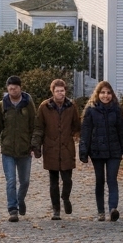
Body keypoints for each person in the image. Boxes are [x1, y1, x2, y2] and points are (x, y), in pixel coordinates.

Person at [0, 75, 37, 223]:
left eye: (15, 88)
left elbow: (34, 126)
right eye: (10, 88)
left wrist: (34, 145)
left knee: (25, 181)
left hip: (24, 150)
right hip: (8, 150)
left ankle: (20, 200)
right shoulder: (2, 106)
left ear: (20, 88)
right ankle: (12, 209)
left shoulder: (28, 104)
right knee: (11, 181)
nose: (12, 90)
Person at [80, 80, 123, 222]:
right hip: (97, 151)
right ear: (97, 94)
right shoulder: (91, 110)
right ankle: (100, 211)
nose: (105, 95)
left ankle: (113, 208)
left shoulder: (116, 110)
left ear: (112, 94)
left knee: (112, 179)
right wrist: (83, 151)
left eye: (108, 93)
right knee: (100, 180)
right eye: (102, 93)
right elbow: (86, 132)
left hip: (114, 151)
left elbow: (121, 131)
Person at [32, 78, 80, 220]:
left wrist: (72, 135)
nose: (60, 93)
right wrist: (36, 145)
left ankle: (65, 197)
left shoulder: (71, 106)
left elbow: (77, 125)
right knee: (53, 182)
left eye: (62, 90)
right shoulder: (44, 107)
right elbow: (39, 127)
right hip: (51, 148)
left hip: (66, 147)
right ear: (52, 92)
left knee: (67, 179)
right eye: (57, 91)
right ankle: (56, 210)